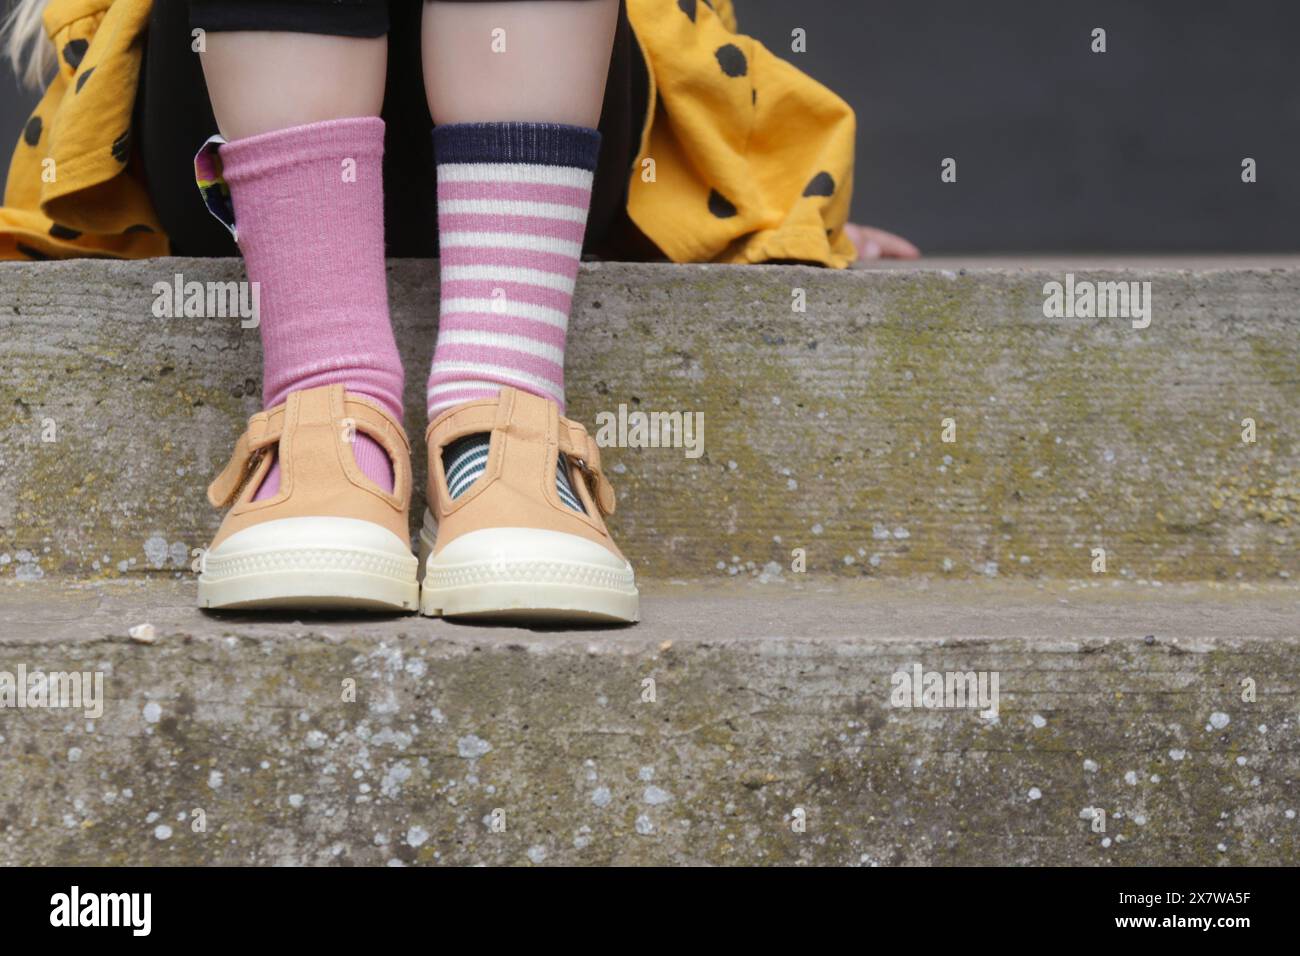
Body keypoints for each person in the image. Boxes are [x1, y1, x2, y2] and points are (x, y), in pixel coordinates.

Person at [2, 0, 918, 623]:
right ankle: (331, 416)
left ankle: (499, 429)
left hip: (553, 106)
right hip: (233, 112)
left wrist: (757, 197)